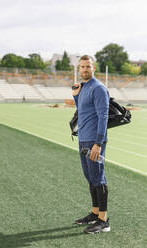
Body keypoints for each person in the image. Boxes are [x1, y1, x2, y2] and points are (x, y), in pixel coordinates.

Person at [72, 55, 110, 234]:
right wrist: (76, 96)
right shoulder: (84, 87)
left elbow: (103, 116)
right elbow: (82, 111)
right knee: (90, 178)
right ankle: (95, 213)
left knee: (98, 178)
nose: (85, 69)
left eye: (88, 66)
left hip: (94, 141)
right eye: (82, 67)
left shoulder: (99, 88)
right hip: (83, 139)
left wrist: (99, 143)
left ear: (94, 68)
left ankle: (104, 220)